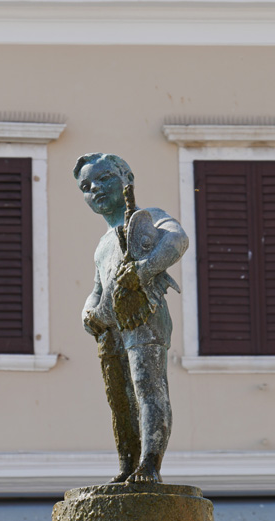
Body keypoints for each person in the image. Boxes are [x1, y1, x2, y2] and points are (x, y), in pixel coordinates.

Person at [74, 153, 188, 483]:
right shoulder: (102, 245)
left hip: (144, 315)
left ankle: (149, 464)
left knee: (147, 389)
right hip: (109, 328)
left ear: (127, 177)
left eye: (105, 177)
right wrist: (87, 313)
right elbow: (97, 289)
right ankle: (127, 463)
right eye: (86, 185)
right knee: (120, 400)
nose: (95, 187)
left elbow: (178, 240)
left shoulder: (149, 217)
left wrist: (142, 270)